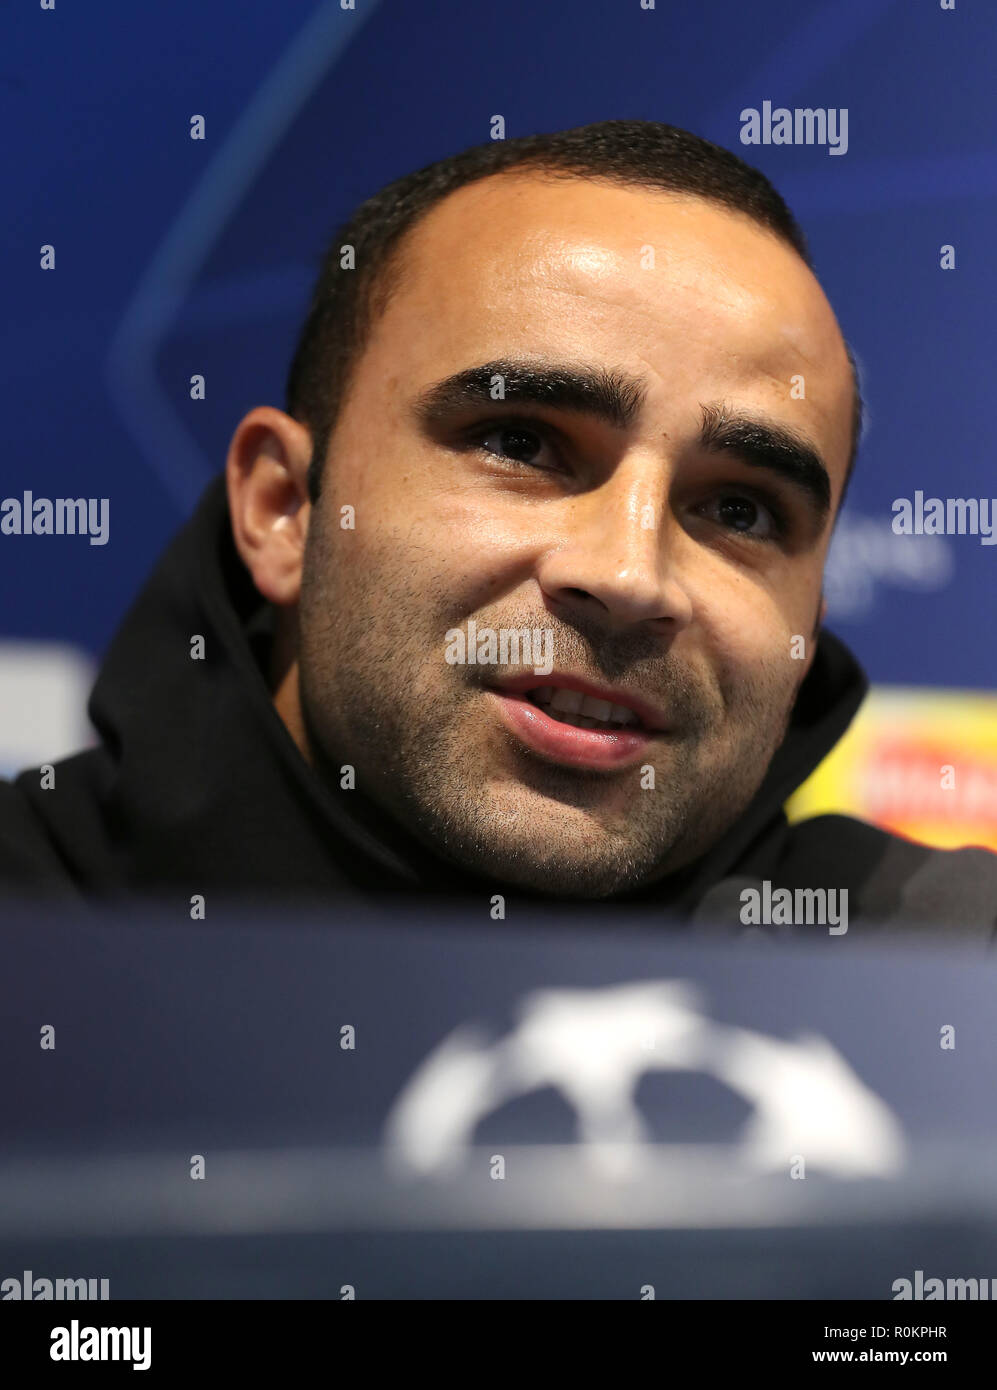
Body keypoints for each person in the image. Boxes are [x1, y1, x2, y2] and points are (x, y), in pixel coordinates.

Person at [2, 120, 995, 936]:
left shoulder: (942, 986)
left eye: (738, 510)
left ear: (806, 622)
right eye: (520, 443)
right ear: (284, 509)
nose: (629, 574)